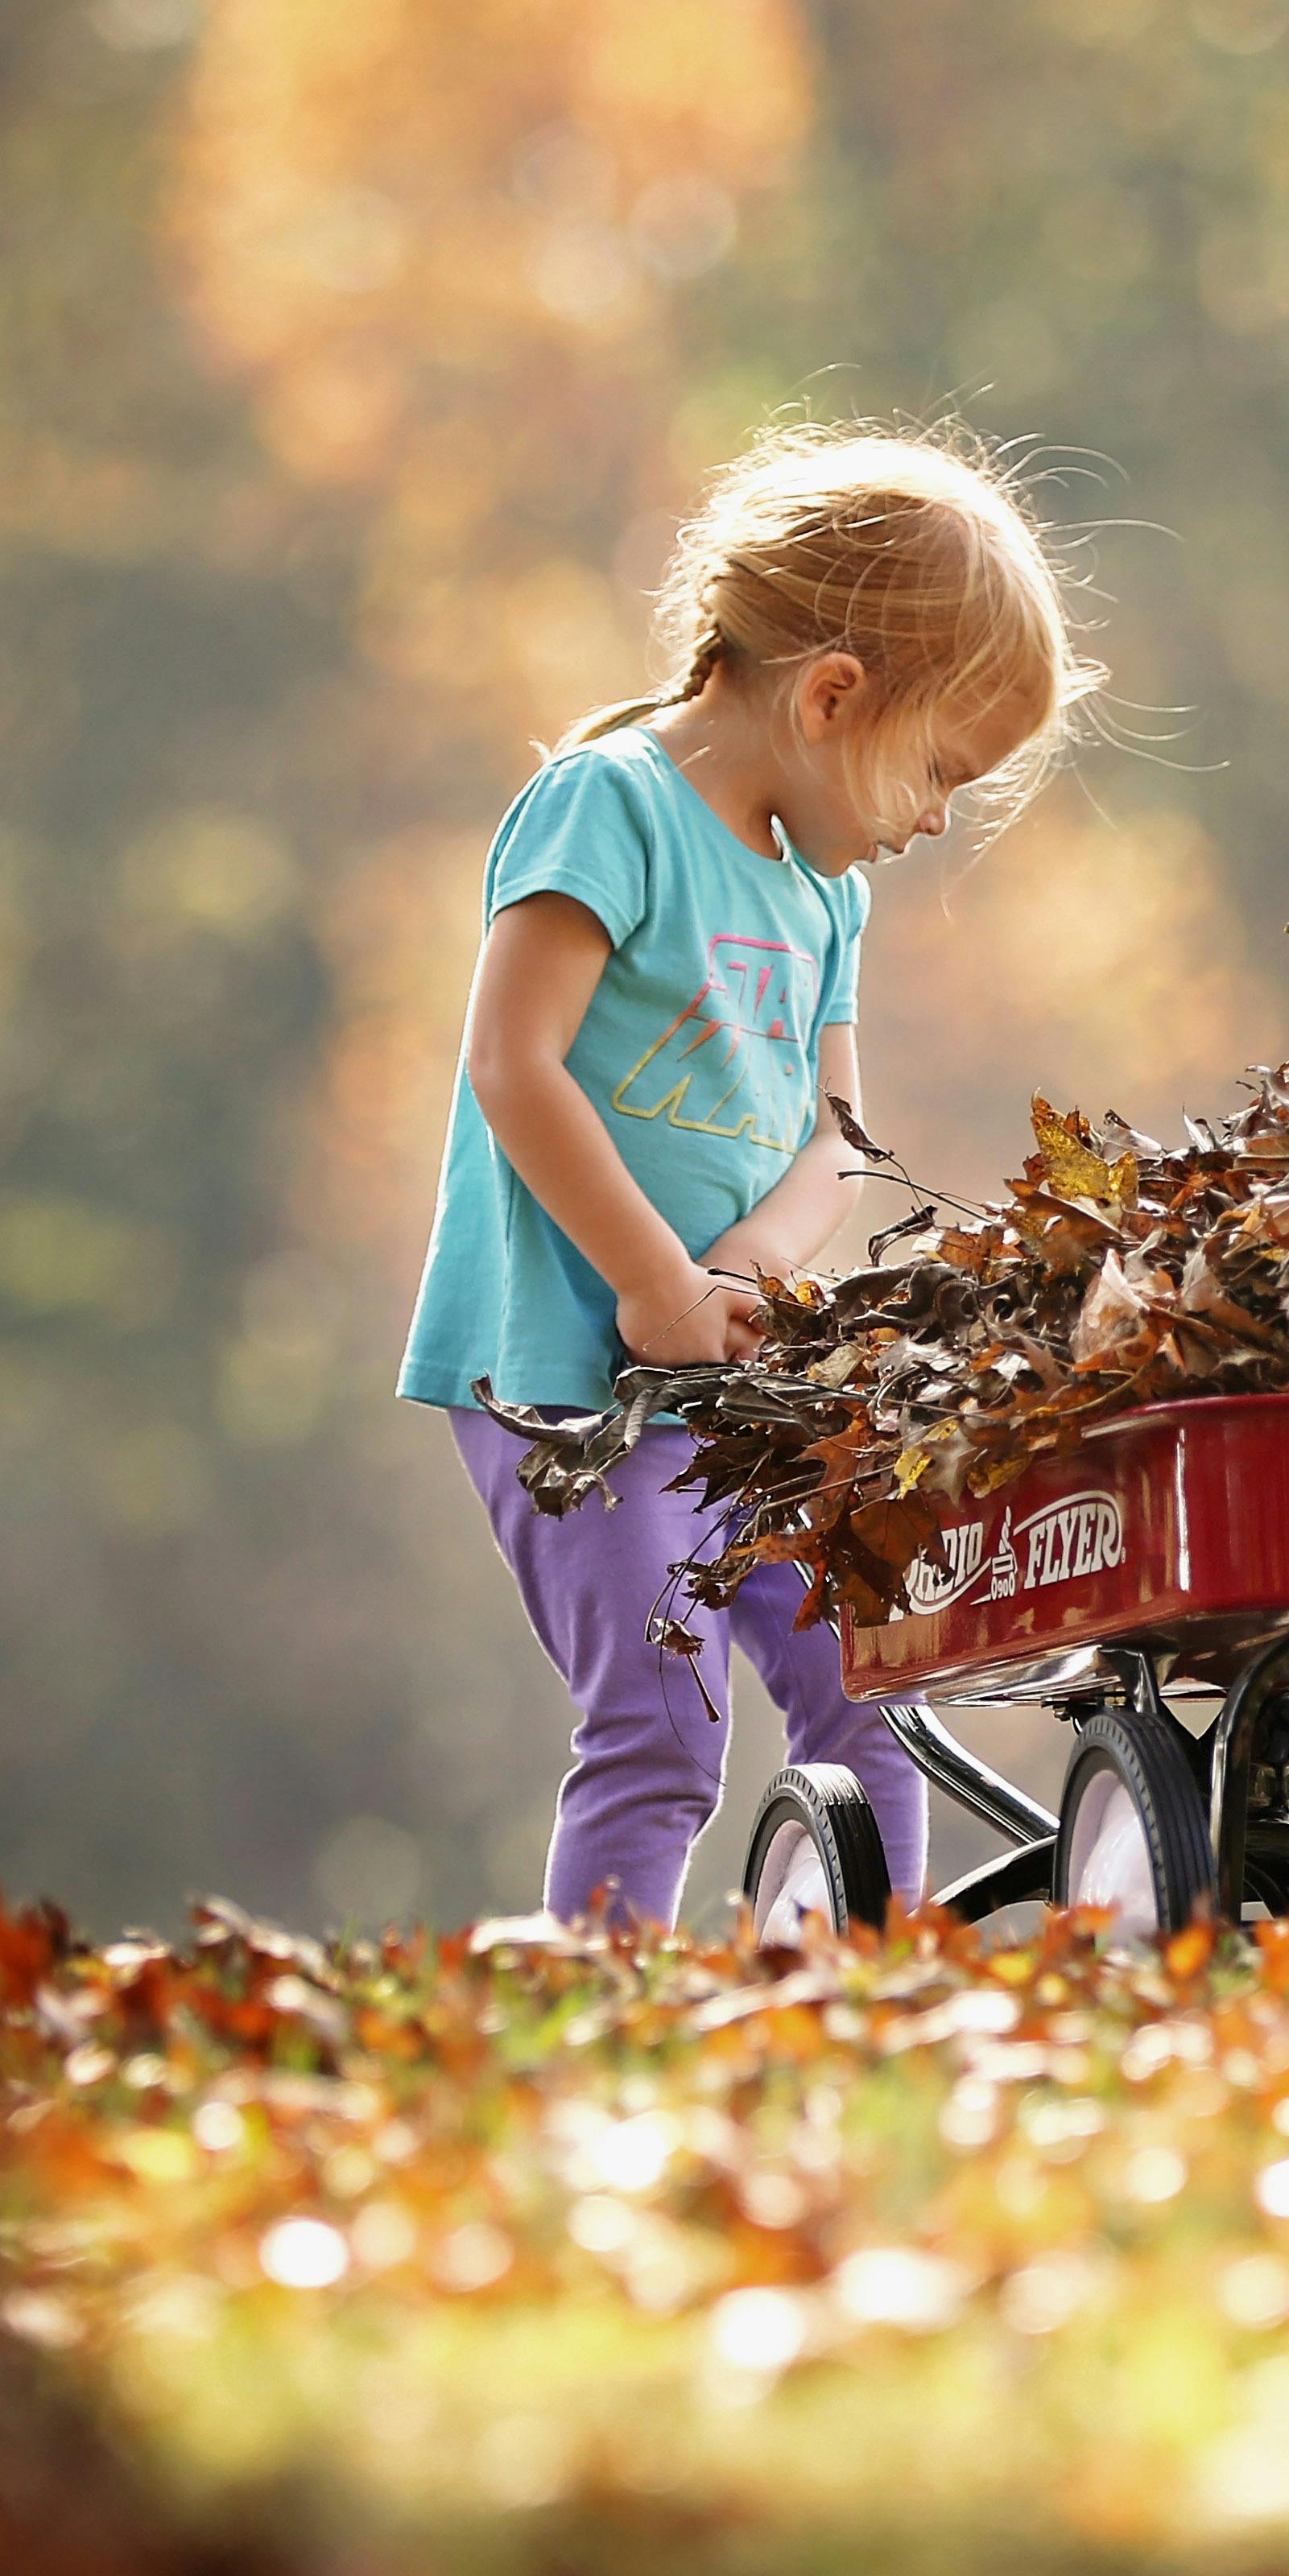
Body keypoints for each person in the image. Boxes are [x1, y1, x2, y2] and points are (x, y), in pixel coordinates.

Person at [401, 427, 1097, 1928]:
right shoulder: (612, 805)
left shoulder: (823, 892)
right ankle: (613, 2009)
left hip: (731, 1380)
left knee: (870, 1676)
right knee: (664, 1725)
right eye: (941, 773)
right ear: (834, 694)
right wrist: (655, 1285)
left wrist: (746, 1285)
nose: (935, 822)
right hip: (562, 1379)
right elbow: (514, 1063)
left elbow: (837, 1136)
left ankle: (871, 1985)